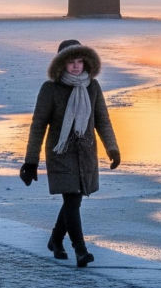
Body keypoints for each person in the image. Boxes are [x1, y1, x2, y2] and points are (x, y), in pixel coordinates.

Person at [20, 39, 121, 267]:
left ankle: (56, 240)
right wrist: (31, 161)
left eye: (79, 61)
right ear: (61, 64)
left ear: (86, 62)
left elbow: (102, 120)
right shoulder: (50, 89)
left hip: (85, 152)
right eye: (70, 62)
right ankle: (80, 250)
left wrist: (112, 148)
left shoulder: (92, 86)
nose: (76, 66)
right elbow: (38, 126)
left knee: (73, 200)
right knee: (72, 199)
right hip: (61, 152)